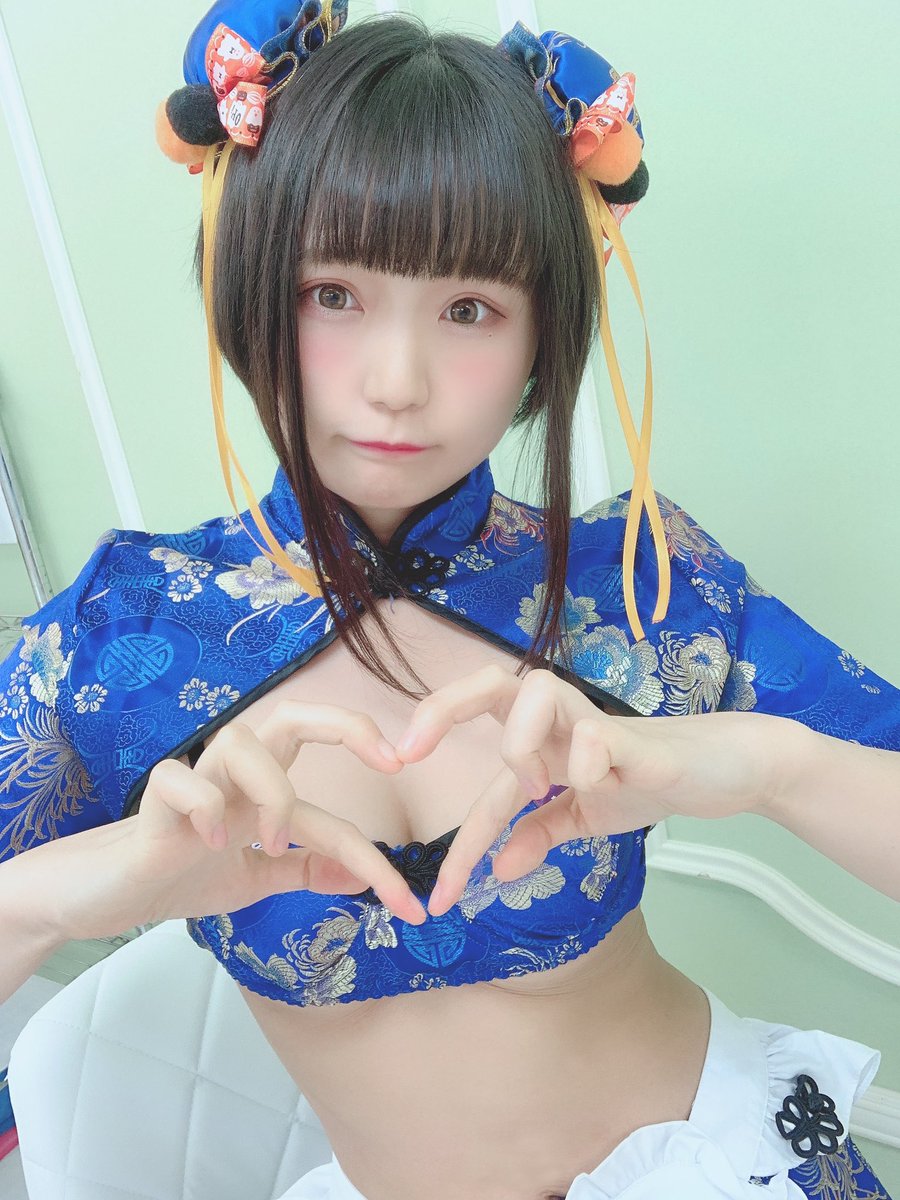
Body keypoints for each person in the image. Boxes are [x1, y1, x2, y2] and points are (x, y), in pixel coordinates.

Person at [0, 2, 897, 1197]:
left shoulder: (641, 581)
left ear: (540, 339)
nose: (398, 381)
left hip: (726, 1165)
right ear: (248, 284)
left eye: (469, 309)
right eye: (332, 294)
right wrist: (51, 898)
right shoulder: (123, 633)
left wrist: (771, 766)